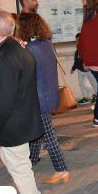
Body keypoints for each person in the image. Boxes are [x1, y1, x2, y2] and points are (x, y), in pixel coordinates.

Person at [0, 10, 44, 194]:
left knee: (18, 166)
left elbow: (2, 103)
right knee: (19, 164)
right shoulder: (17, 48)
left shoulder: (5, 56)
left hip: (12, 124)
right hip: (22, 118)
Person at [16, 13, 70, 185]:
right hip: (48, 94)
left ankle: (61, 169)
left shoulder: (28, 49)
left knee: (49, 135)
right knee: (37, 133)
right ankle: (32, 161)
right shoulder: (46, 44)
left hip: (38, 99)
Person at [71, 33, 97, 105]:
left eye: (79, 40)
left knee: (93, 83)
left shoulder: (87, 48)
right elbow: (76, 60)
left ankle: (96, 95)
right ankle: (86, 97)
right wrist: (73, 68)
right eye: (76, 41)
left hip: (88, 70)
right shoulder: (77, 50)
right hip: (80, 70)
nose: (77, 42)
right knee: (81, 84)